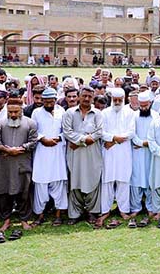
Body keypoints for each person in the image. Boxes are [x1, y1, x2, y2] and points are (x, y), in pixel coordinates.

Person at [0, 98, 37, 243]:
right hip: (3, 164)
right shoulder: (1, 123)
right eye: (10, 112)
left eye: (16, 111)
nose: (13, 114)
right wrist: (6, 149)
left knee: (24, 192)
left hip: (22, 162)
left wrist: (21, 149)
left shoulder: (30, 123)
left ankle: (24, 220)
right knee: (3, 193)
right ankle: (6, 220)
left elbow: (34, 141)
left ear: (21, 110)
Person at [62, 87, 104, 227]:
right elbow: (67, 131)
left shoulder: (97, 114)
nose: (86, 99)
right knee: (75, 180)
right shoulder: (69, 113)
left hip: (92, 153)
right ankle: (75, 213)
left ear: (93, 98)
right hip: (75, 154)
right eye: (84, 96)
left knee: (93, 179)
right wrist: (84, 140)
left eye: (89, 96)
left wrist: (80, 142)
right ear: (79, 96)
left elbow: (99, 132)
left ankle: (93, 211)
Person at [31, 88, 68, 226]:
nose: (48, 103)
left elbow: (66, 130)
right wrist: (42, 139)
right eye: (45, 101)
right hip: (42, 152)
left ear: (55, 100)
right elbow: (33, 131)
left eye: (51, 101)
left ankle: (58, 215)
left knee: (58, 183)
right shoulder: (36, 113)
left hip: (58, 151)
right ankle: (39, 216)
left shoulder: (61, 111)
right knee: (40, 184)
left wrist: (59, 138)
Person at [99, 88, 136, 229]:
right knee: (107, 181)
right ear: (112, 99)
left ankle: (123, 210)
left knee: (123, 181)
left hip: (123, 151)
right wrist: (113, 138)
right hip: (108, 152)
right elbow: (102, 132)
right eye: (115, 99)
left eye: (120, 99)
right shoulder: (104, 113)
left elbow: (131, 132)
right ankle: (105, 210)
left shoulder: (130, 113)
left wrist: (114, 140)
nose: (118, 102)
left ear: (124, 99)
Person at [129, 91, 157, 227]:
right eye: (142, 105)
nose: (144, 108)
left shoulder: (156, 116)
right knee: (136, 178)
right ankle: (135, 208)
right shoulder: (133, 116)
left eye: (146, 105)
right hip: (137, 153)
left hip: (151, 153)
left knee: (150, 178)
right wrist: (141, 143)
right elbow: (132, 134)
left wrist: (146, 144)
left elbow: (157, 134)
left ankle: (151, 208)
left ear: (150, 103)